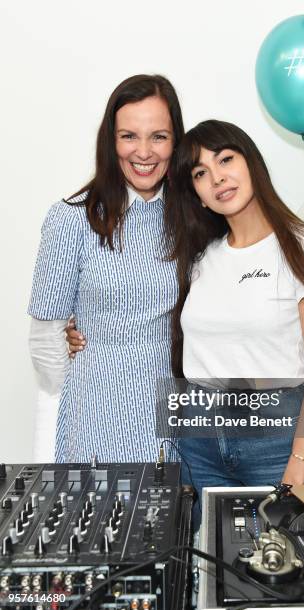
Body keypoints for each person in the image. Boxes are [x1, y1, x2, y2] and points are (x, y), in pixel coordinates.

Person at [164, 120, 304, 513]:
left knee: (288, 566)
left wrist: (299, 466)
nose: (218, 178)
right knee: (210, 565)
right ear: (196, 194)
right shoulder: (200, 259)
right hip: (200, 442)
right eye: (200, 173)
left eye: (226, 159)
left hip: (277, 441)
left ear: (252, 164)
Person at [28, 74, 184, 463]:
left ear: (176, 141)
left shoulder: (193, 217)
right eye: (129, 136)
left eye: (159, 136)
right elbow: (46, 340)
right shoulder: (73, 218)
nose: (144, 152)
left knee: (178, 521)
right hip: (94, 418)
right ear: (110, 141)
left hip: (176, 419)